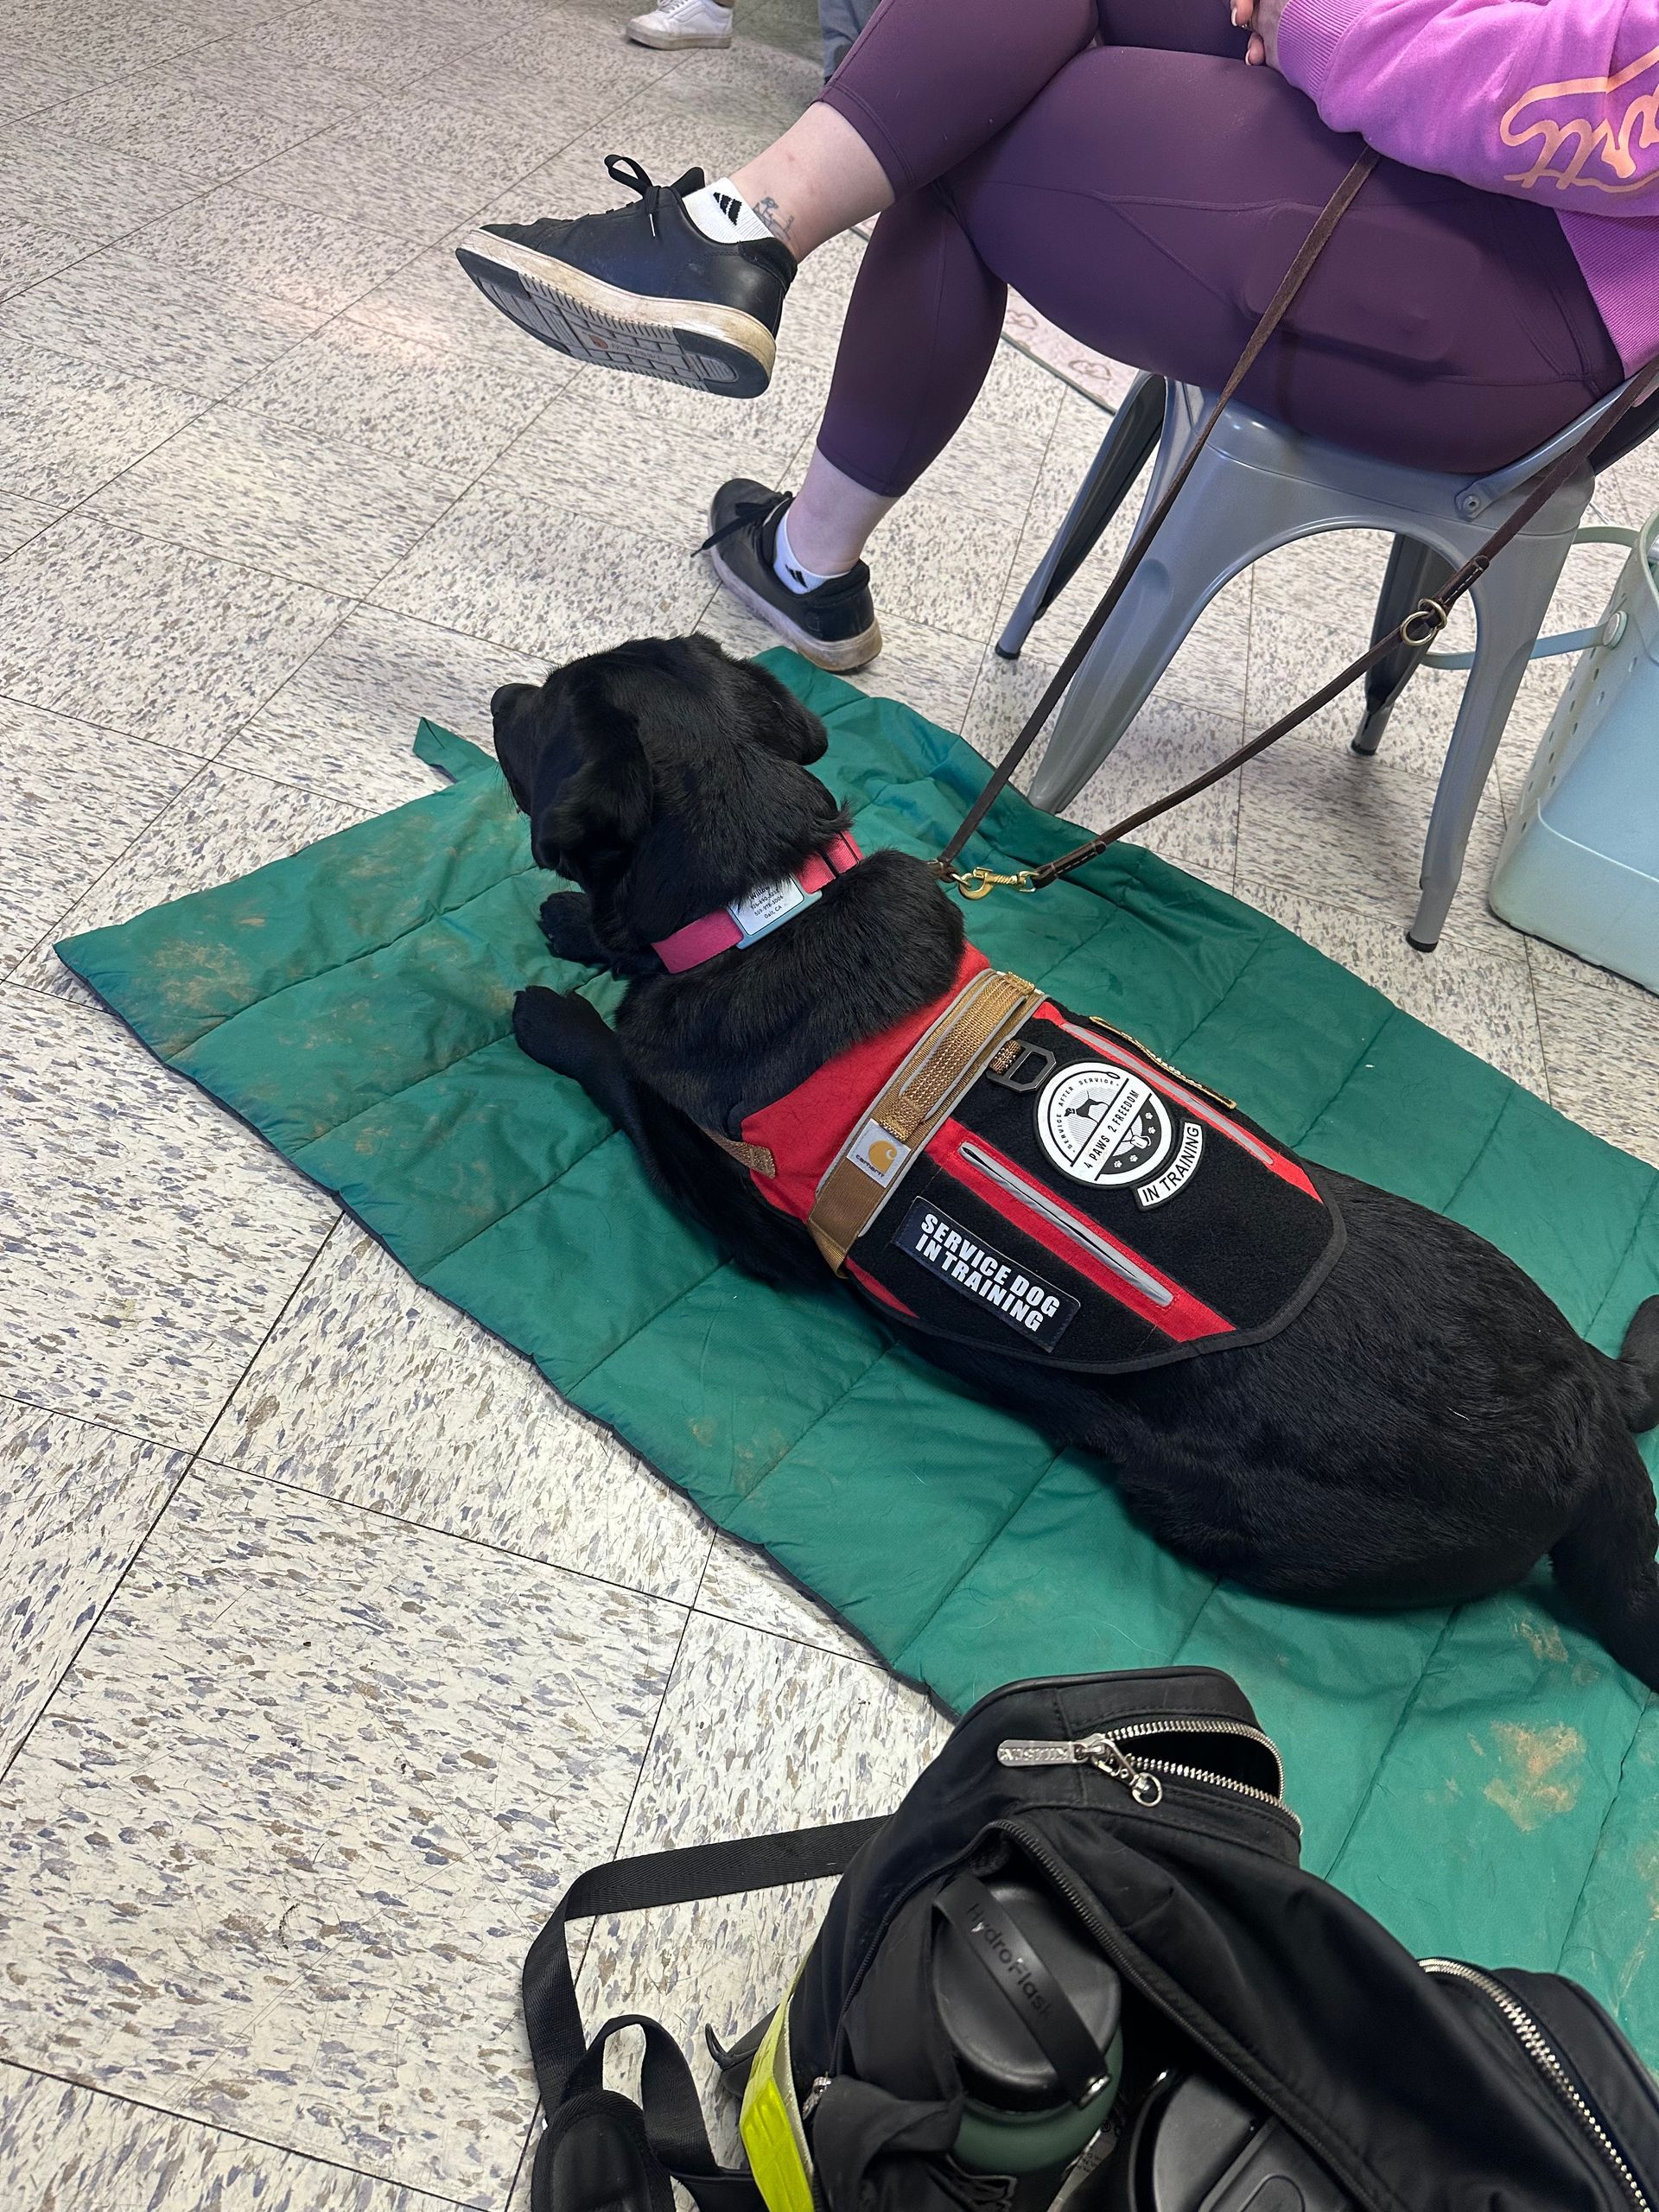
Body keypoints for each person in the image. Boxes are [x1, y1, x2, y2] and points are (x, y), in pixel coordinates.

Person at [457, 0, 1659, 672]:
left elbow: (1608, 83)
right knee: (968, 68)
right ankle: (740, 243)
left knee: (954, 120)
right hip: (1484, 193)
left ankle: (797, 522)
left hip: (1524, 291)